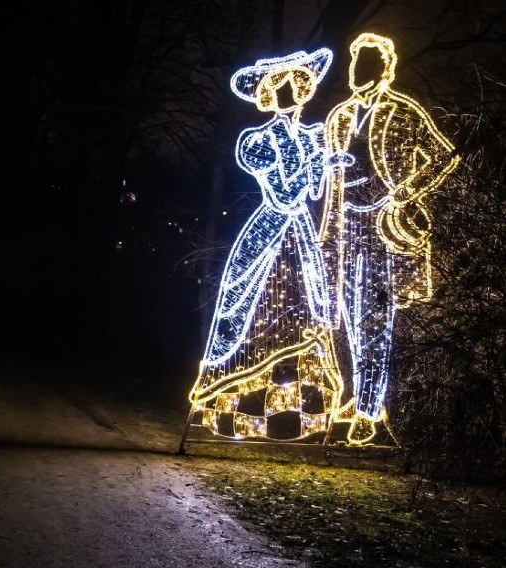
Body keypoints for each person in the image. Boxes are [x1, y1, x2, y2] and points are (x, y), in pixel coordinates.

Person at [185, 48, 343, 442]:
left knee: (306, 306)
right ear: (270, 94)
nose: (293, 90)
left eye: (299, 83)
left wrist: (326, 164)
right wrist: (317, 162)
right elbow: (287, 194)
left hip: (300, 232)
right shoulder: (258, 140)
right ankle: (233, 405)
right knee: (249, 304)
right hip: (271, 227)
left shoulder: (311, 137)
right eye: (283, 84)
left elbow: (314, 192)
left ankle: (304, 410)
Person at [322, 33, 460, 443]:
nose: (355, 72)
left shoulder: (402, 112)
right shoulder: (341, 116)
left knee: (376, 319)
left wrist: (402, 193)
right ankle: (357, 393)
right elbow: (331, 177)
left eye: (364, 65)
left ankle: (368, 408)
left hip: (385, 227)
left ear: (383, 70)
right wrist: (327, 223)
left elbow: (444, 154)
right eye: (353, 64)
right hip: (347, 225)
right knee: (348, 315)